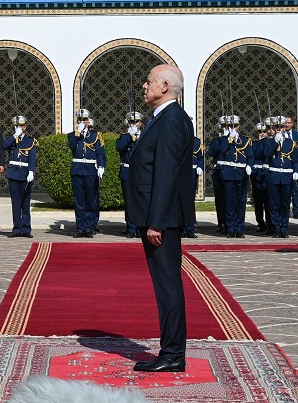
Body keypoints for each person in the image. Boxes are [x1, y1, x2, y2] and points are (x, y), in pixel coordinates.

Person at [128, 64, 194, 373]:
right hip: (157, 216)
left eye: (150, 81)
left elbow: (166, 175)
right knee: (165, 284)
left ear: (165, 86)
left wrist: (156, 221)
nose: (145, 85)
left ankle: (172, 355)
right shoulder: (164, 118)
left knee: (168, 285)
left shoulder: (170, 120)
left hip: (161, 220)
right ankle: (170, 351)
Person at [68, 109, 105, 238]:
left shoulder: (95, 136)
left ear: (88, 121)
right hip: (77, 170)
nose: (82, 122)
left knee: (90, 200)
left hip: (90, 171)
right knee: (79, 202)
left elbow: (99, 152)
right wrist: (78, 133)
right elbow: (72, 146)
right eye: (80, 120)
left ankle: (88, 228)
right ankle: (80, 228)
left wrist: (101, 166)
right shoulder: (73, 135)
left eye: (84, 120)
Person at [3, 115, 38, 238]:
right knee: (16, 203)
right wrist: (15, 136)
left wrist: (31, 171)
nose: (18, 128)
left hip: (25, 174)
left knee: (25, 202)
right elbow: (4, 146)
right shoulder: (12, 139)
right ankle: (17, 228)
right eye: (16, 126)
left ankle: (26, 229)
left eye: (20, 126)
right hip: (13, 173)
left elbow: (32, 157)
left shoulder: (30, 141)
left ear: (25, 127)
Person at [116, 111, 142, 238]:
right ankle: (131, 227)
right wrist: (129, 136)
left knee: (141, 201)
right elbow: (120, 147)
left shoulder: (145, 136)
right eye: (132, 122)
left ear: (140, 123)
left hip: (141, 173)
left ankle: (140, 226)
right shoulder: (124, 137)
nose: (134, 124)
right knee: (130, 201)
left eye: (136, 121)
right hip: (127, 172)